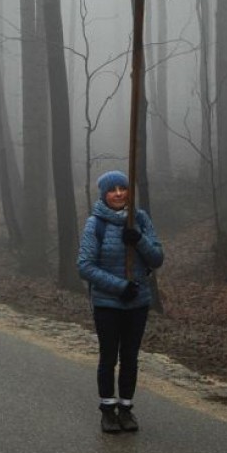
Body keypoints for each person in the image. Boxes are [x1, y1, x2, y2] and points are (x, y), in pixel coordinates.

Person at [77, 170, 164, 433]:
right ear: (103, 194)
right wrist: (119, 287)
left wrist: (138, 240)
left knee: (130, 357)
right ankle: (107, 410)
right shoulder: (96, 224)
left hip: (137, 304)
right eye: (112, 189)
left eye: (122, 188)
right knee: (108, 357)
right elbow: (85, 266)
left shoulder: (139, 219)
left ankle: (126, 409)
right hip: (107, 303)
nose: (118, 194)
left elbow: (157, 259)